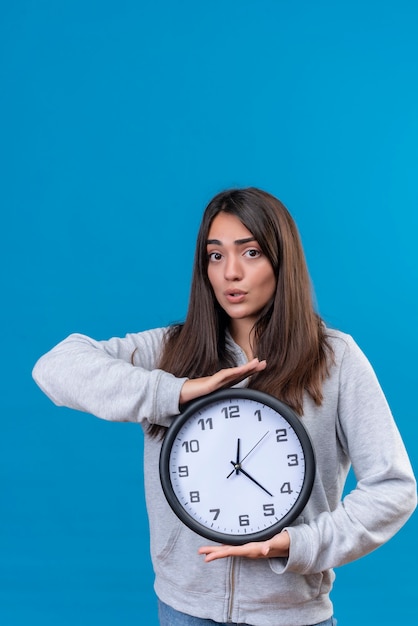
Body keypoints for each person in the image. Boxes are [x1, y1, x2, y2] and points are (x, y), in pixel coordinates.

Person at [32, 187, 416, 626]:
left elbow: (394, 488)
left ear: (280, 261)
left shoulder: (334, 359)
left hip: (290, 615)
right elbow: (55, 366)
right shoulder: (171, 351)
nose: (231, 272)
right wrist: (174, 393)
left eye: (250, 252)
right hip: (184, 609)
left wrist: (296, 544)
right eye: (216, 256)